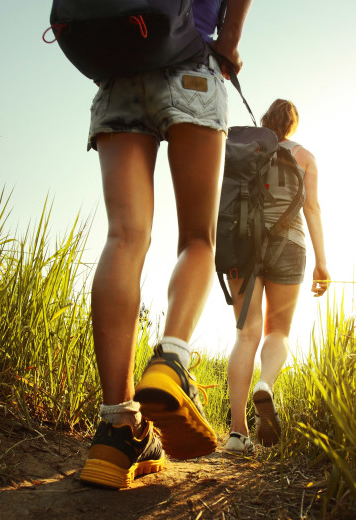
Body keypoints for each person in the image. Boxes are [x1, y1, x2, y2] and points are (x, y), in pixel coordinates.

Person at [78, 0, 253, 489]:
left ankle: (117, 428)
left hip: (119, 71)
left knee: (124, 236)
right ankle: (170, 361)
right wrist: (231, 42)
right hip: (191, 63)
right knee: (198, 237)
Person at [224, 99, 330, 454]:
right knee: (278, 331)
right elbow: (312, 208)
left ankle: (238, 434)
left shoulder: (245, 150)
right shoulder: (305, 157)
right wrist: (322, 263)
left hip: (242, 244)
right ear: (293, 125)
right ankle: (265, 384)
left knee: (246, 333)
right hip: (290, 245)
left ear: (266, 121)